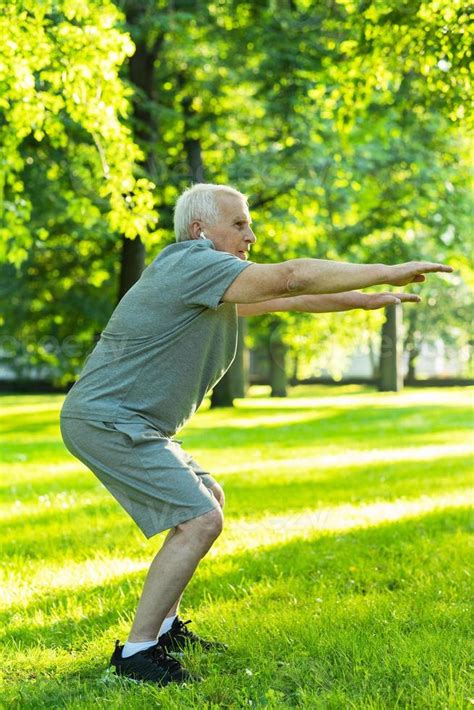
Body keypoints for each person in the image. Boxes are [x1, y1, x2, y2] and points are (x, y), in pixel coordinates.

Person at [60, 183, 452, 685]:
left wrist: (363, 299)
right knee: (200, 520)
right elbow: (290, 279)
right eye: (240, 223)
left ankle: (164, 629)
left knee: (208, 497)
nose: (251, 234)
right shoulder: (190, 264)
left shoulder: (204, 282)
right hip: (108, 419)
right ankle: (136, 656)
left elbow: (290, 300)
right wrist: (386, 267)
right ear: (201, 230)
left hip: (130, 421)